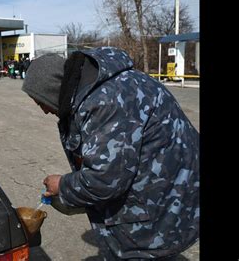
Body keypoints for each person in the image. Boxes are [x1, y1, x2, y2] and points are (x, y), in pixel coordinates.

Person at [21, 48, 199, 260]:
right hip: (172, 189)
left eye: (40, 101)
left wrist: (63, 185)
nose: (44, 110)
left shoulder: (105, 102)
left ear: (52, 90)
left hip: (163, 205)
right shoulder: (110, 85)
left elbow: (105, 180)